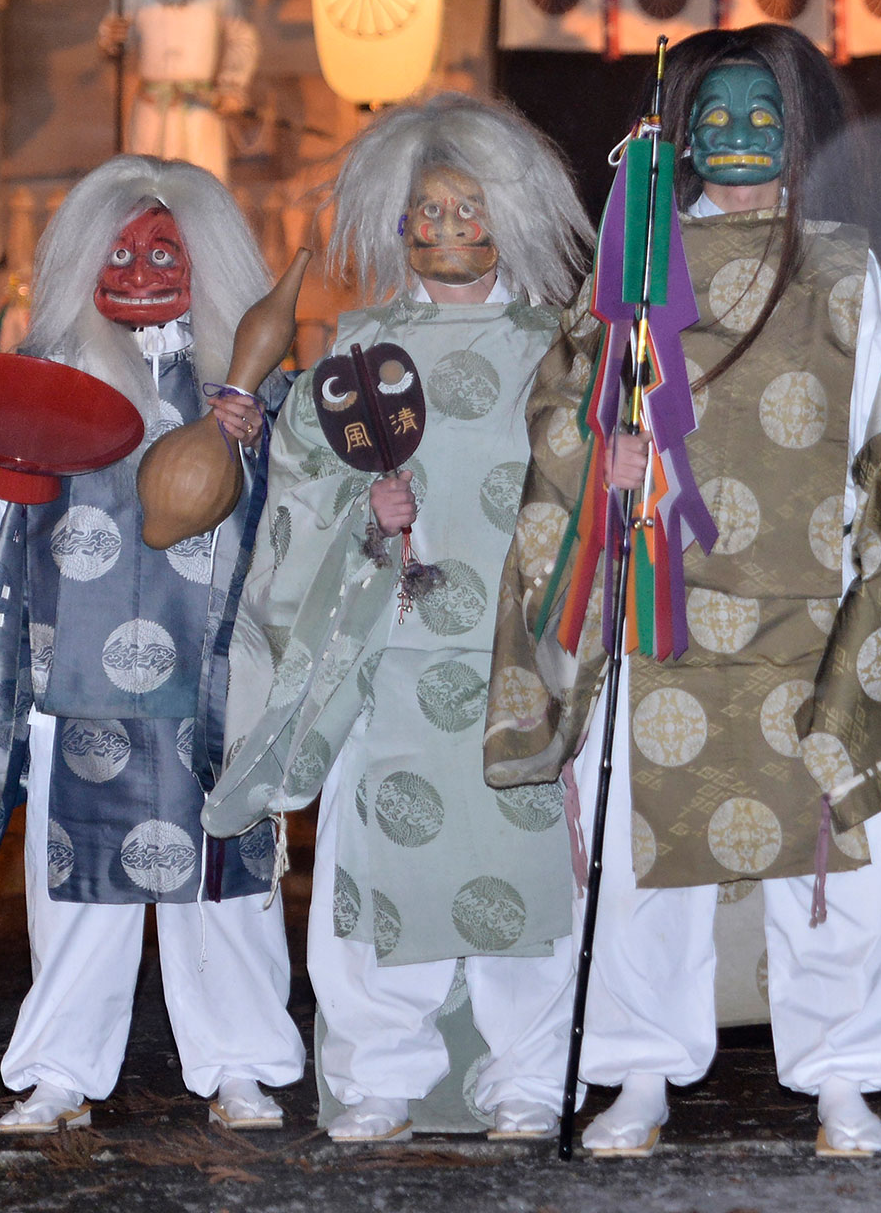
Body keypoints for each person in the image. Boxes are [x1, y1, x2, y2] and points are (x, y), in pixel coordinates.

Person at [484, 25, 881, 1158]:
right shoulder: (634, 264)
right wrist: (595, 450)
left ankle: (843, 1075)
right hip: (659, 613)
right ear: (676, 132)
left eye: (764, 115)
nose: (740, 132)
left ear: (794, 134)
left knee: (829, 861)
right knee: (646, 864)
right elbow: (563, 407)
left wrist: (866, 589)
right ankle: (640, 1076)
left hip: (803, 605)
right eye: (718, 113)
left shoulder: (844, 267)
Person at [204, 94, 593, 1143]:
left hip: (521, 644)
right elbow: (301, 488)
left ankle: (527, 1076)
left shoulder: (560, 339)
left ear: (507, 216)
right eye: (427, 212)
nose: (449, 230)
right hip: (394, 647)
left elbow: (595, 481)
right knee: (381, 873)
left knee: (525, 869)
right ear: (397, 224)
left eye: (470, 209)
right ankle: (381, 1072)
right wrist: (361, 514)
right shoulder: (364, 339)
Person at [0, 156, 302, 1133]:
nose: (141, 268)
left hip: (216, 678)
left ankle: (240, 1063)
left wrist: (261, 441)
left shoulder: (257, 384)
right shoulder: (46, 380)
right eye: (120, 250)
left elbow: (313, 517)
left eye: (163, 250)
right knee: (78, 904)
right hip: (78, 681)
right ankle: (60, 1073)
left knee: (227, 893)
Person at [98, 0, 260, 185]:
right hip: (151, 108)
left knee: (204, 188)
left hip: (200, 109)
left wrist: (232, 86)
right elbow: (115, 39)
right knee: (144, 187)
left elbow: (242, 38)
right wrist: (113, 39)